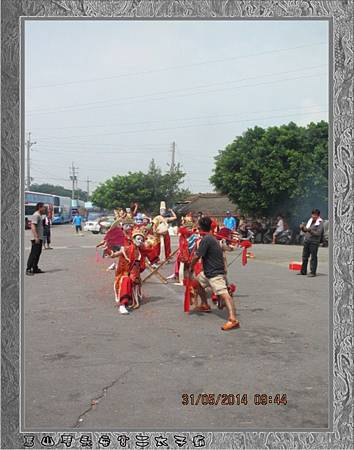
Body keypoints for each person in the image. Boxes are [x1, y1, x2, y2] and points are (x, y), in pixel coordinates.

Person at [189, 216, 240, 331]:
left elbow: (197, 256)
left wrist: (191, 267)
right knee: (197, 283)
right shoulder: (211, 238)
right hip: (207, 272)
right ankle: (205, 304)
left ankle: (233, 319)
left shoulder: (206, 239)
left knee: (224, 294)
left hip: (215, 273)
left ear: (201, 227)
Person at [110, 228, 146, 314]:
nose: (140, 241)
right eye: (138, 239)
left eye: (141, 239)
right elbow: (116, 254)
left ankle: (131, 297)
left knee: (133, 281)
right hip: (125, 273)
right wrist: (110, 253)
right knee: (125, 280)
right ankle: (122, 305)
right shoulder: (127, 248)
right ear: (133, 240)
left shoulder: (140, 251)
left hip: (135, 275)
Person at [298, 209, 324, 277]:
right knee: (304, 256)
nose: (313, 216)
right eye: (313, 215)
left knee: (313, 257)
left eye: (315, 215)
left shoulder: (320, 222)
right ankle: (303, 271)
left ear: (318, 216)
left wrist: (310, 230)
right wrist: (302, 228)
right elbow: (305, 230)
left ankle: (313, 272)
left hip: (314, 242)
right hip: (307, 240)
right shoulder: (310, 221)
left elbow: (318, 233)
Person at [26, 202, 46, 275]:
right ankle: (28, 269)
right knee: (33, 253)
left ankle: (35, 268)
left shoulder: (40, 215)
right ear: (39, 207)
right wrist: (36, 237)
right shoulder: (36, 215)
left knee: (38, 253)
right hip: (36, 238)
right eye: (43, 207)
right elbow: (33, 226)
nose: (44, 209)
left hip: (39, 237)